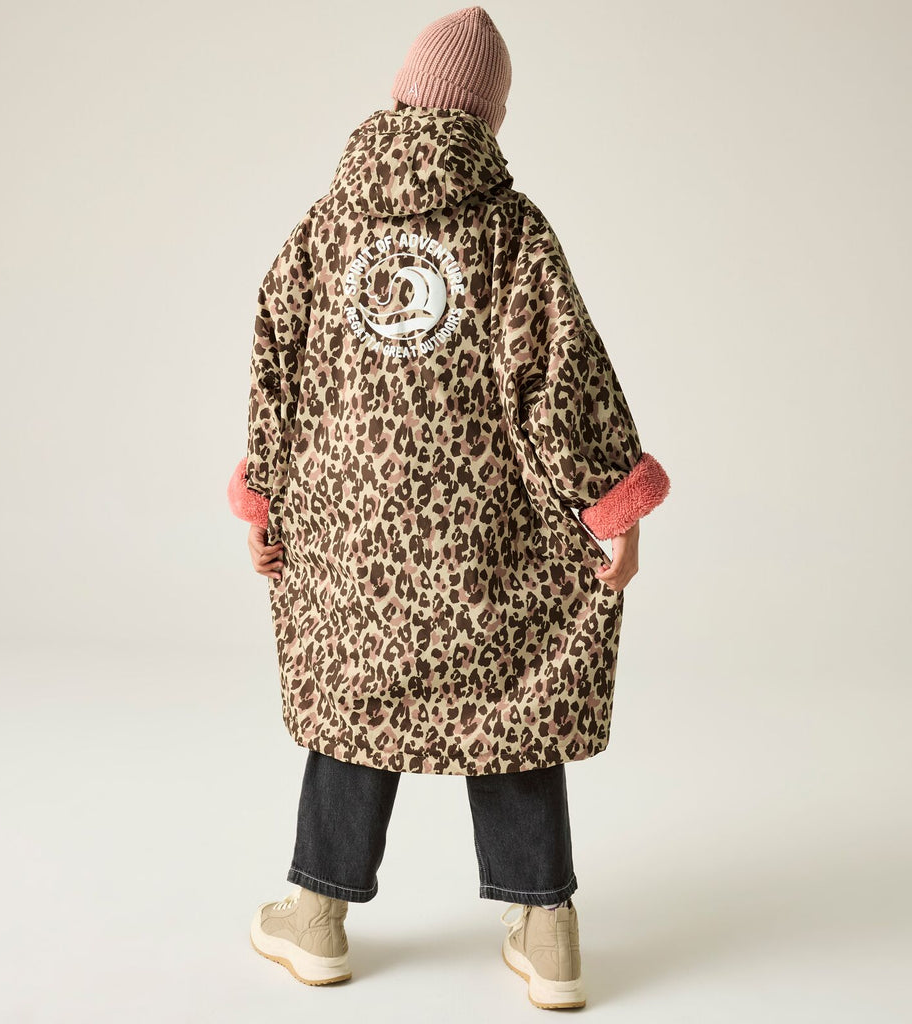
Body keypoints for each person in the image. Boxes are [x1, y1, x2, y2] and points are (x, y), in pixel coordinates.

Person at [226, 5, 670, 1010]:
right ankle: (547, 929)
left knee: (356, 696)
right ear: (490, 119)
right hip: (486, 541)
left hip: (350, 537)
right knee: (507, 699)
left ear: (399, 96)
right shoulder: (512, 231)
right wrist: (611, 503)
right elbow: (560, 377)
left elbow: (275, 360)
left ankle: (317, 915)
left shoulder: (327, 222)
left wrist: (264, 494)